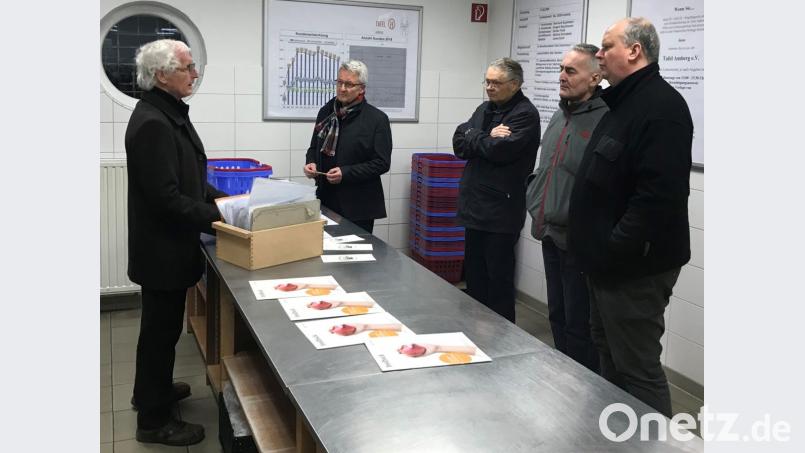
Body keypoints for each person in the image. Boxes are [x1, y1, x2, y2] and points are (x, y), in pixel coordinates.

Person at [568, 18, 693, 417]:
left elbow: (656, 200)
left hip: (634, 267)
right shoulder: (625, 102)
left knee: (637, 368)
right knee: (610, 358)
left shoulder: (662, 108)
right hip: (609, 264)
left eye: (607, 47)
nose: (599, 56)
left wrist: (611, 249)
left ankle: (656, 442)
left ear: (634, 51)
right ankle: (618, 435)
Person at [125, 39, 227, 446]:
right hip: (161, 251)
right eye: (187, 67)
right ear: (162, 74)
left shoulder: (167, 114)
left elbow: (188, 177)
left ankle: (153, 393)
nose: (195, 74)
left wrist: (224, 198)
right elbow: (167, 199)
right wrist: (219, 216)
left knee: (162, 332)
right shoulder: (152, 123)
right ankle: (153, 421)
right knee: (158, 334)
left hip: (168, 249)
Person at [526, 44, 607, 373]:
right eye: (561, 68)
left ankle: (583, 390)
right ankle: (563, 379)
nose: (561, 76)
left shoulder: (606, 119)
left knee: (580, 323)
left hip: (579, 239)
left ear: (595, 77)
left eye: (571, 71)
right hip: (549, 231)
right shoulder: (560, 115)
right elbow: (548, 168)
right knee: (557, 313)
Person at [452, 58, 541, 322]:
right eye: (487, 81)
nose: (489, 87)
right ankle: (476, 332)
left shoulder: (525, 114)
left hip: (501, 212)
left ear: (514, 84)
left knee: (498, 281)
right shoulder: (485, 108)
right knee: (476, 278)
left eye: (496, 83)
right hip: (474, 208)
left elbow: (499, 151)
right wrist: (486, 135)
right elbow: (458, 141)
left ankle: (502, 337)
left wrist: (477, 137)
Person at [303, 60, 392, 233]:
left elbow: (382, 162)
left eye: (349, 84)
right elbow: (313, 148)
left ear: (362, 88)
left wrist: (346, 173)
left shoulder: (377, 120)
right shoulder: (326, 112)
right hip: (325, 200)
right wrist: (311, 162)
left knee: (356, 258)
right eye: (339, 82)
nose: (342, 88)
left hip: (358, 206)